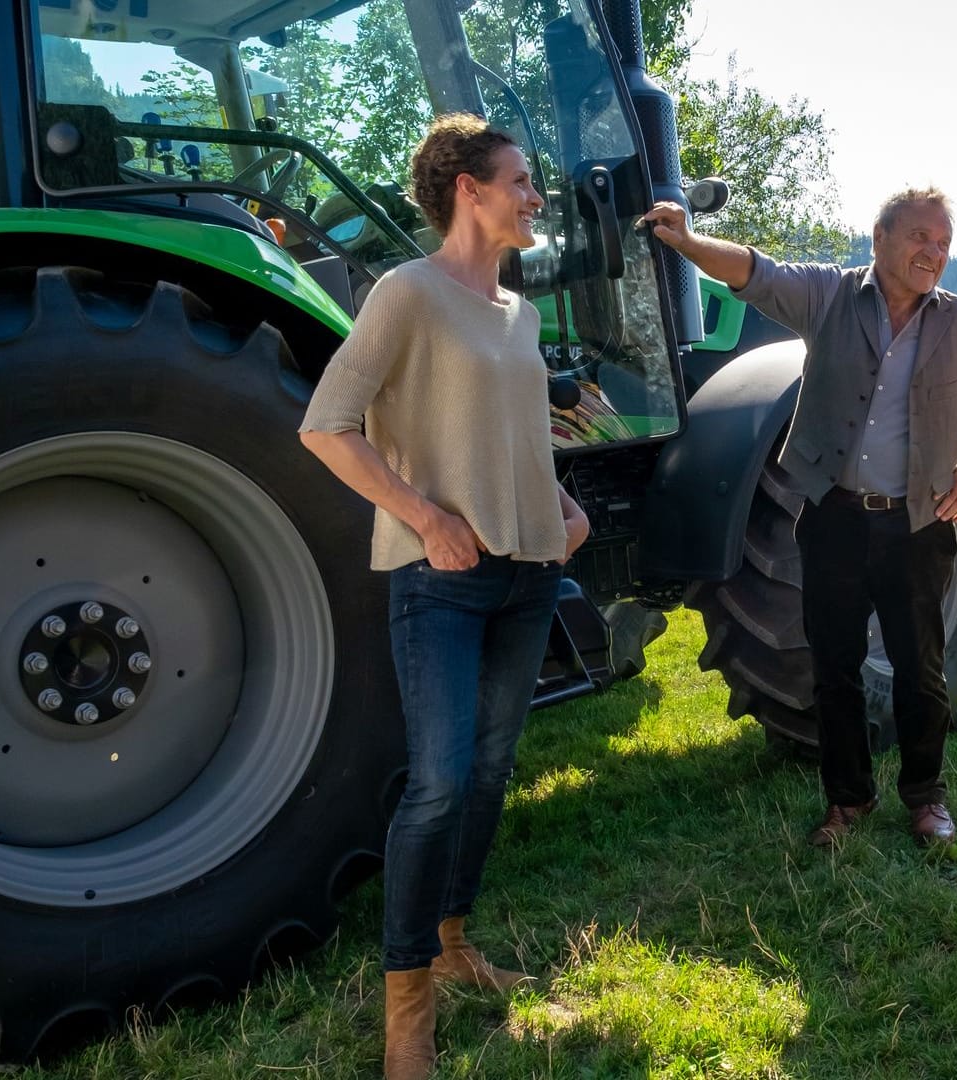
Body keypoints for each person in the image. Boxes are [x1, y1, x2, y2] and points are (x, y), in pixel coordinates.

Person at [297, 114, 591, 1079]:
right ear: (467, 187)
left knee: (494, 770)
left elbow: (512, 435)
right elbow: (327, 426)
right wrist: (424, 517)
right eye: (520, 180)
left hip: (529, 572)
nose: (534, 195)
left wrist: (559, 506)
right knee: (437, 783)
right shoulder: (407, 294)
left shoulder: (519, 313)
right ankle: (407, 1006)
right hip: (444, 581)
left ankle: (456, 941)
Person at [641, 190, 957, 847]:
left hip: (916, 526)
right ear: (880, 239)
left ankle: (926, 799)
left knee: (921, 670)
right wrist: (689, 242)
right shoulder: (829, 296)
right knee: (834, 668)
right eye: (920, 238)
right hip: (834, 517)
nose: (933, 253)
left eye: (943, 243)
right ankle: (848, 801)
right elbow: (755, 271)